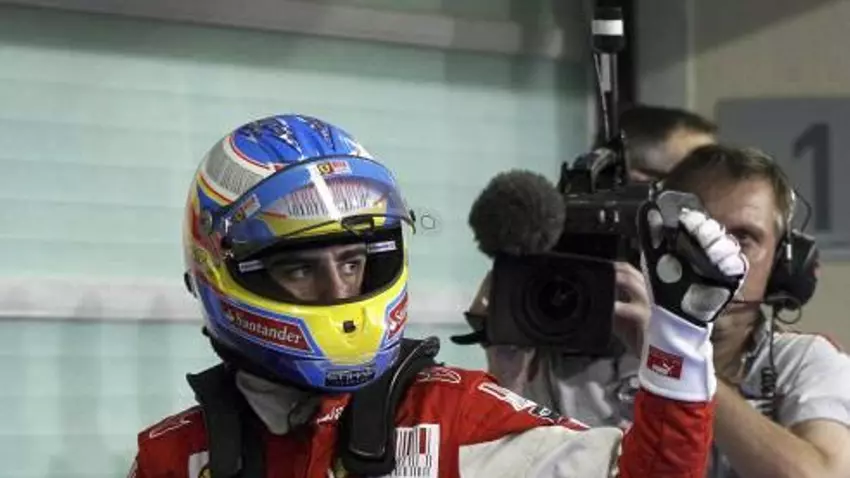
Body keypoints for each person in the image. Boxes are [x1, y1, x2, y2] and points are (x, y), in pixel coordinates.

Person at [127, 114, 749, 478]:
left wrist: (678, 338)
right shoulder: (172, 456)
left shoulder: (449, 417)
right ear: (218, 277)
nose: (340, 290)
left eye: (354, 261)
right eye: (299, 269)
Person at [464, 144, 850, 478]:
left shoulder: (806, 362)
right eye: (699, 233)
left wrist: (674, 356)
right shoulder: (572, 363)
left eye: (743, 238)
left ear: (783, 263)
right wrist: (507, 370)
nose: (717, 256)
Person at [456, 105, 719, 427]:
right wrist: (506, 372)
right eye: (691, 184)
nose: (706, 205)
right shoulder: (545, 298)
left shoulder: (715, 303)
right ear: (640, 182)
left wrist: (668, 354)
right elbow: (505, 448)